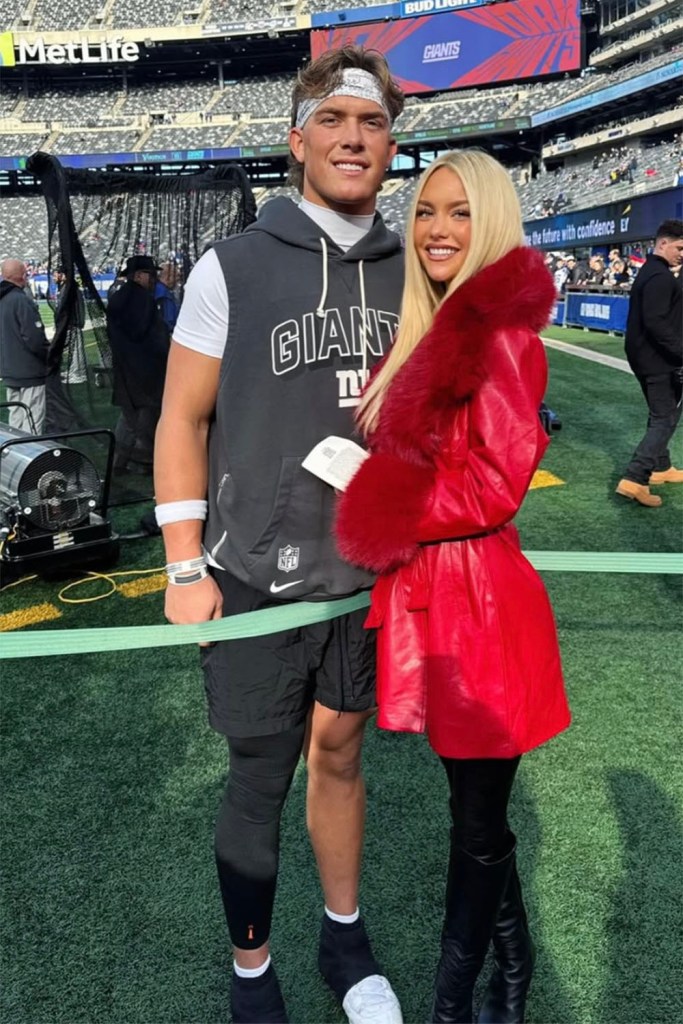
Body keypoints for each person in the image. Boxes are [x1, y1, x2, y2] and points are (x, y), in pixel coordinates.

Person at [153, 46, 405, 1024]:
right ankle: (251, 972)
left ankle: (345, 942)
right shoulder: (233, 265)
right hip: (254, 573)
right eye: (333, 122)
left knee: (341, 751)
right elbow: (180, 418)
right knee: (260, 773)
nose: (352, 137)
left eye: (371, 123)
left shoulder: (410, 267)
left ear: (392, 141)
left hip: (362, 572)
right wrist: (183, 563)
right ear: (297, 141)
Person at [335, 150, 571, 1024]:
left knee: (474, 827)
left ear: (495, 221)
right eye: (427, 211)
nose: (438, 229)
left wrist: (379, 504)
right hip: (438, 595)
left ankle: (454, 1001)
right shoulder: (431, 329)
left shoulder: (499, 334)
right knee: (476, 816)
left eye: (460, 213)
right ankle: (511, 978)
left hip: (477, 605)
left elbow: (492, 485)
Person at [616, 219, 683, 506]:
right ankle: (635, 477)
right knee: (665, 418)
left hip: (645, 357)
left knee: (661, 412)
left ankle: (661, 467)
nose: (682, 253)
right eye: (680, 247)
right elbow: (656, 322)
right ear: (663, 243)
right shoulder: (661, 277)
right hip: (657, 360)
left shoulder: (652, 271)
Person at [106, 254, 170, 473]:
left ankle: (119, 461)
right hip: (146, 370)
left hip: (124, 366)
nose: (153, 279)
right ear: (139, 275)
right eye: (150, 274)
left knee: (128, 413)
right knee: (145, 416)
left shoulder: (117, 297)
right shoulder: (144, 300)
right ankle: (146, 460)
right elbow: (154, 338)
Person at [0, 257, 50, 433]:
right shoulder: (20, 300)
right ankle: (32, 459)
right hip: (29, 371)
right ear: (22, 276)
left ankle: (13, 458)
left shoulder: (3, 299)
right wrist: (49, 355)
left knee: (16, 419)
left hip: (9, 369)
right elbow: (34, 339)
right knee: (32, 421)